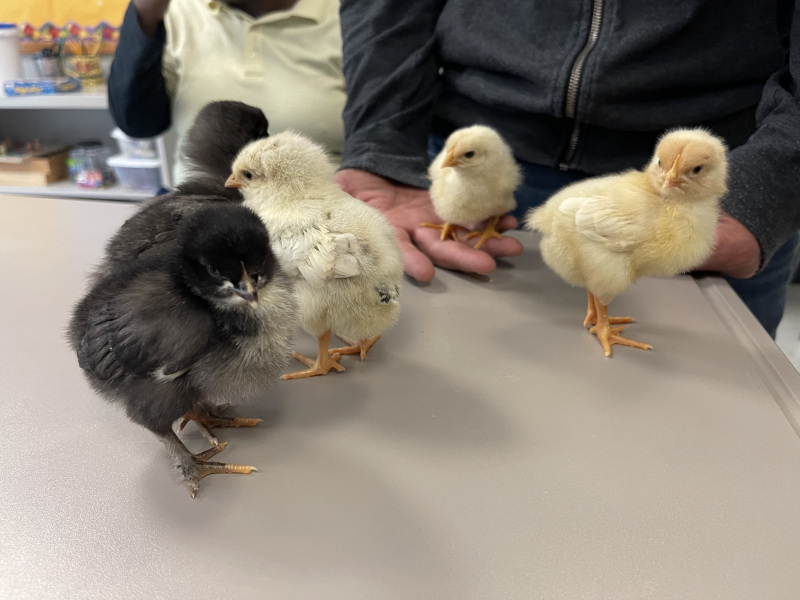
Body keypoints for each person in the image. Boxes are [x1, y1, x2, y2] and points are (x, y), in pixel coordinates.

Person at [335, 0, 800, 337]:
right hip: (468, 162)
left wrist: (769, 187)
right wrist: (383, 145)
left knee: (705, 427)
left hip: (730, 181)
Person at [108, 0, 345, 184]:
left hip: (320, 225)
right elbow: (139, 123)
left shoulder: (352, 18)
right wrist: (145, 18)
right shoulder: (181, 11)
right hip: (200, 219)